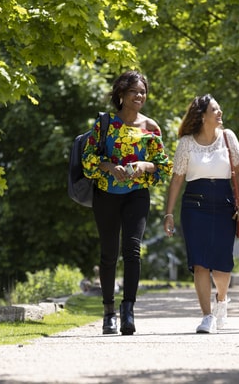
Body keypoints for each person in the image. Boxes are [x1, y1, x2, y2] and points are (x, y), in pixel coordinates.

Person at [82, 70, 172, 336]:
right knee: (109, 254)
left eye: (142, 91)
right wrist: (109, 166)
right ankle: (108, 312)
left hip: (136, 195)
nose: (139, 96)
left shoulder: (151, 127)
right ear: (121, 94)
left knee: (132, 250)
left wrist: (144, 165)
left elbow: (164, 168)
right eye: (134, 91)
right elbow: (88, 161)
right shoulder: (105, 124)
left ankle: (128, 311)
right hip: (106, 194)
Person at [163, 94, 239, 333]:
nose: (220, 112)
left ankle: (221, 301)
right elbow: (177, 179)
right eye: (215, 109)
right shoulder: (186, 143)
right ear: (202, 116)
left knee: (222, 266)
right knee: (200, 263)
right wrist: (169, 213)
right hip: (194, 206)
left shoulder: (228, 137)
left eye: (219, 108)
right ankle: (207, 316)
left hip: (224, 205)